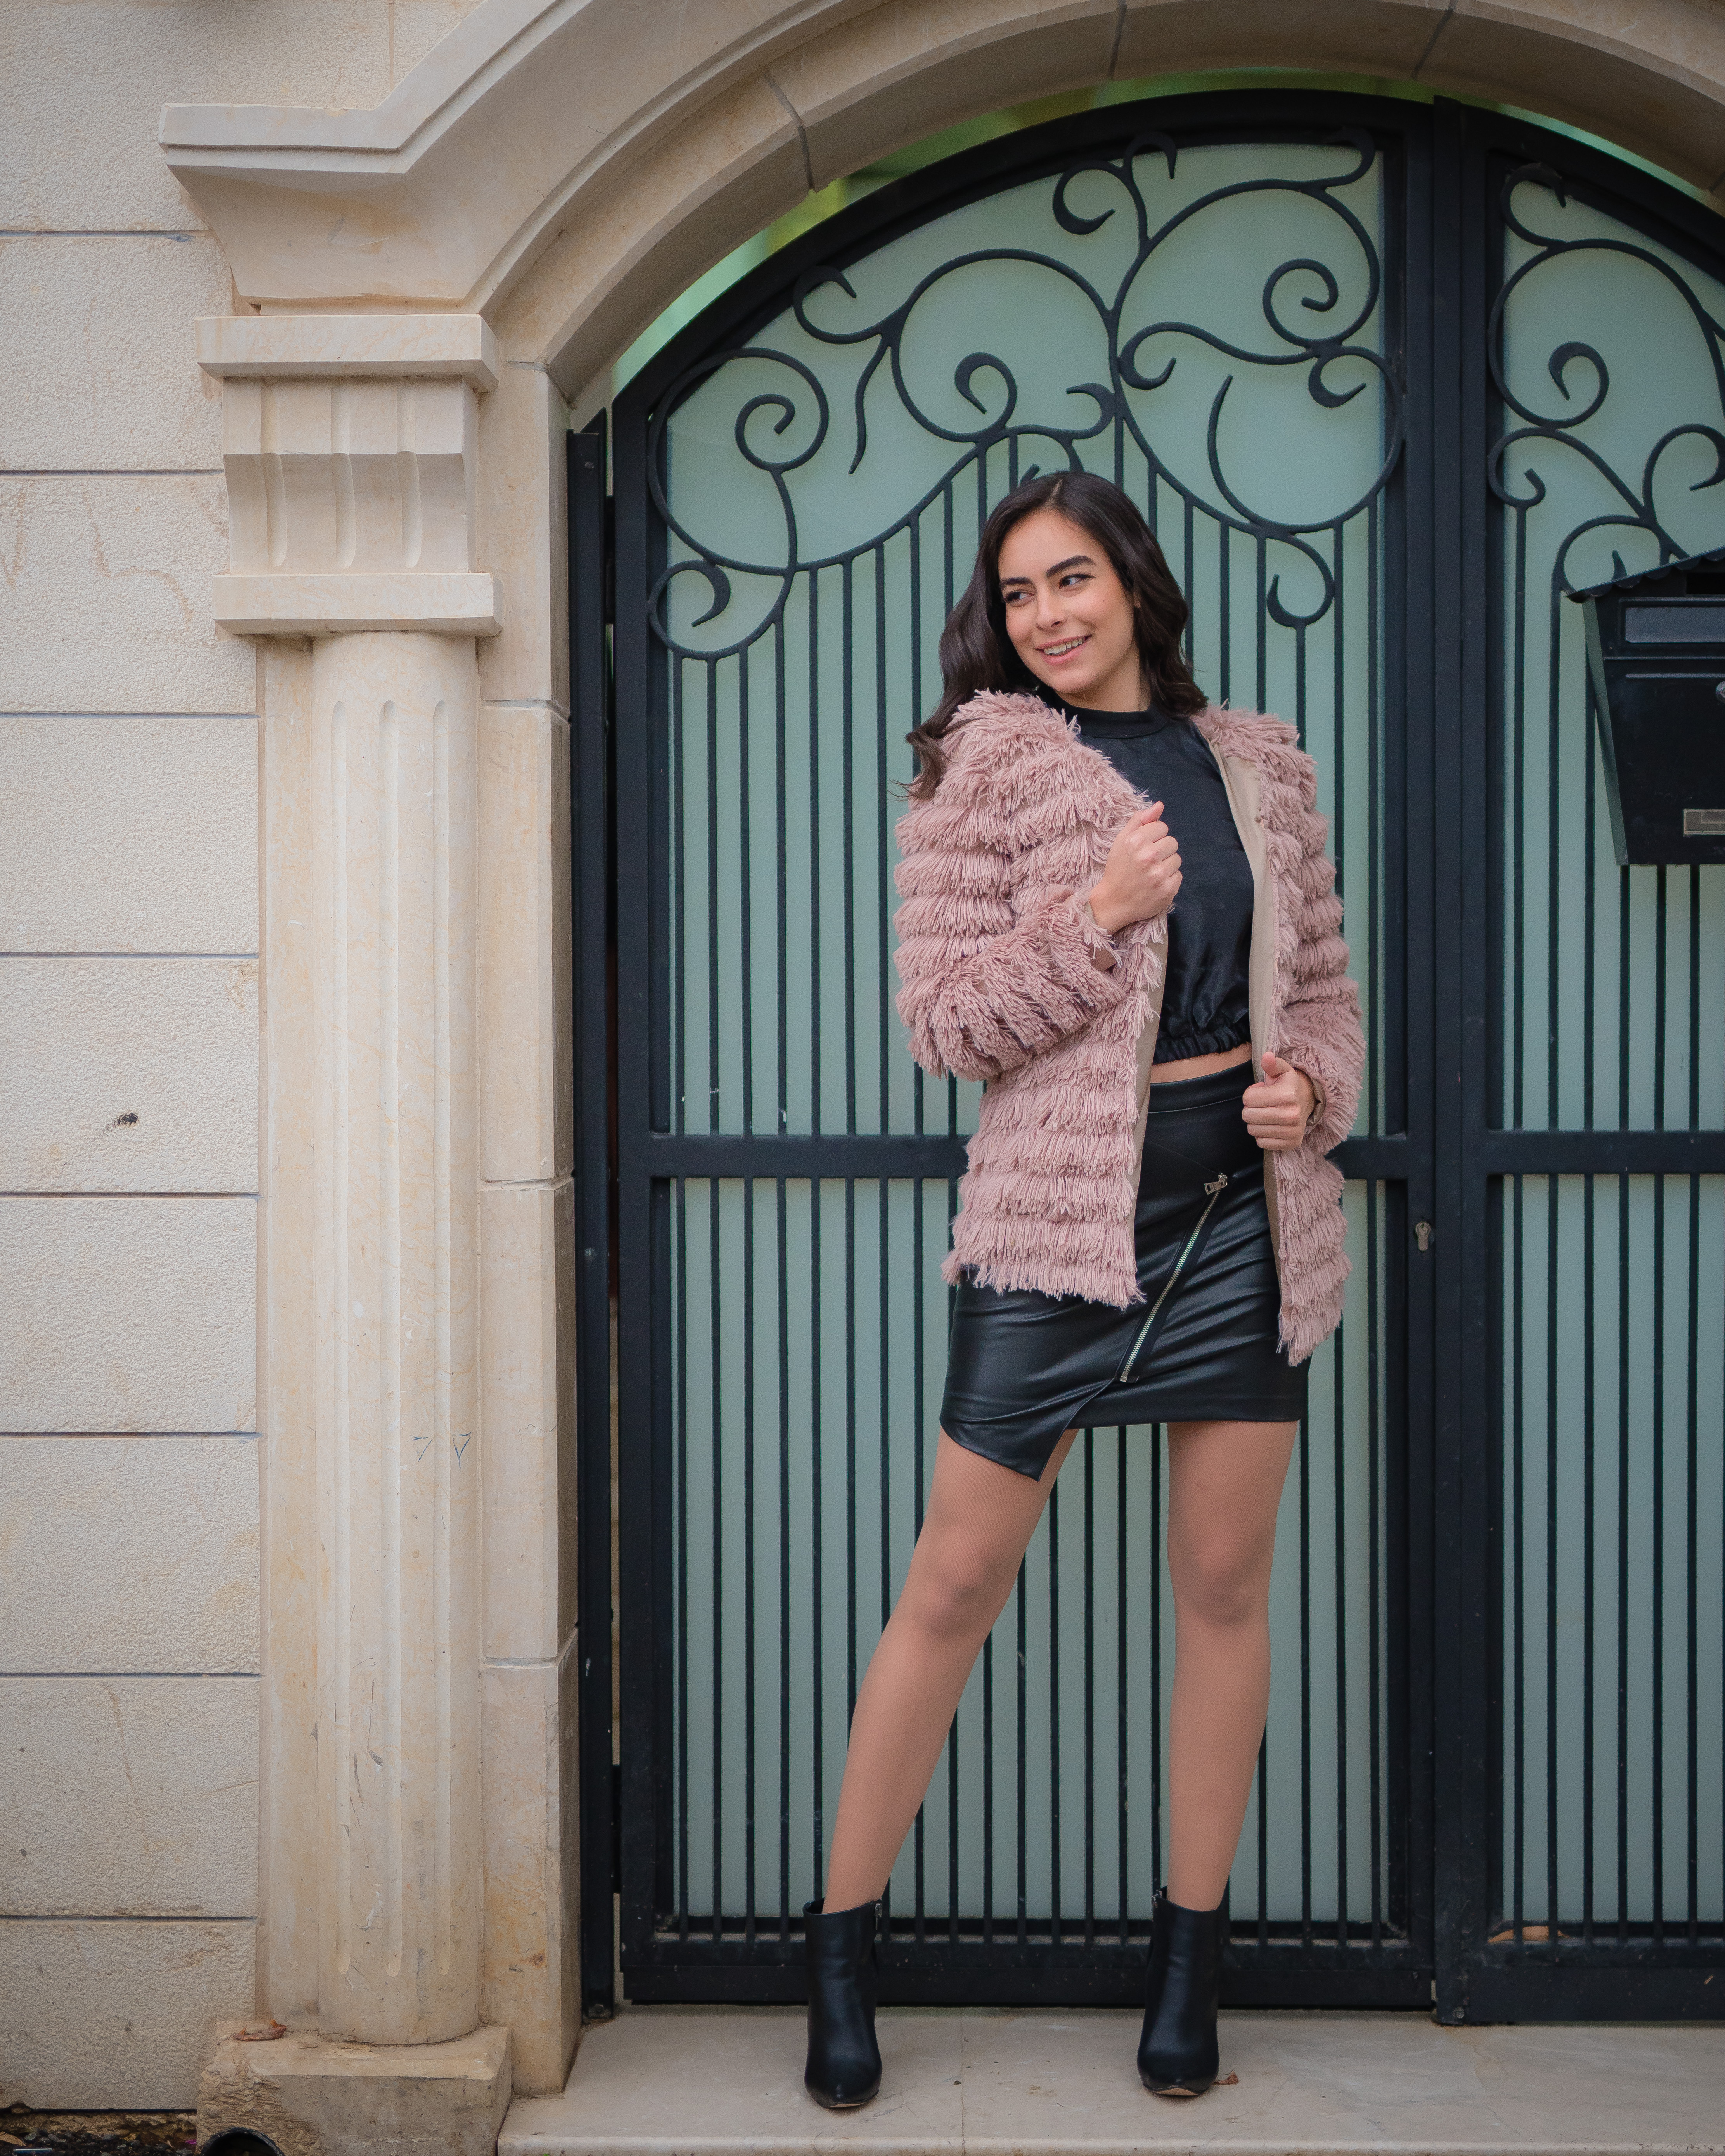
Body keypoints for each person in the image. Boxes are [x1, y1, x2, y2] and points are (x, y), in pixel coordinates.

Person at [800, 470, 1366, 2109]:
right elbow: (949, 1026)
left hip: (1237, 1212)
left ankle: (1187, 1961)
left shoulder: (1256, 764)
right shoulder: (976, 771)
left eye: (1073, 580)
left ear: (1130, 579)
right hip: (1052, 1224)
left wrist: (1306, 1097)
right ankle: (840, 1947)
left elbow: (1323, 994)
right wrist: (1094, 912)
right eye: (1020, 593)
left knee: (1220, 1583)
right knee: (956, 1579)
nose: (1047, 615)